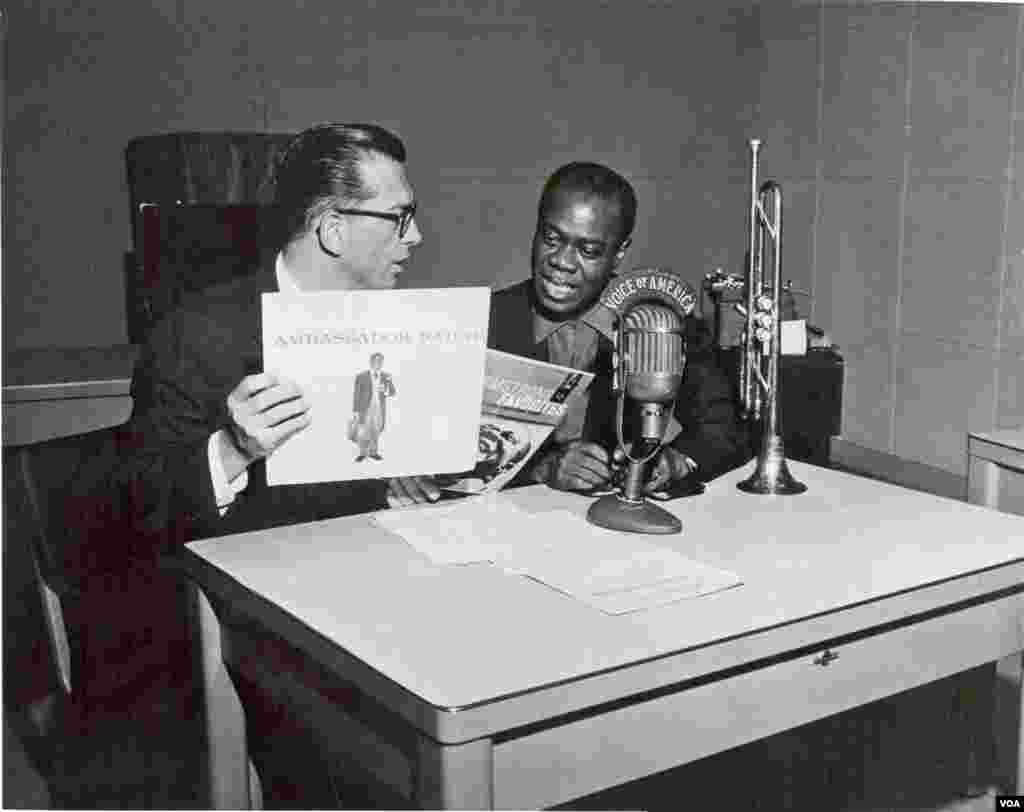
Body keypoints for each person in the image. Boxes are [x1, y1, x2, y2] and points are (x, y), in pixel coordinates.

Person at [104, 122, 443, 807]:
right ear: (333, 229)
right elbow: (139, 513)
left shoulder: (398, 324)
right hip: (261, 634)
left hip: (388, 596)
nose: (415, 238)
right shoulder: (197, 333)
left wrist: (410, 481)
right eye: (400, 217)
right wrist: (233, 449)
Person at [488, 162, 750, 495]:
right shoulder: (486, 320)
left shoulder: (660, 322)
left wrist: (677, 461)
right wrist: (542, 470)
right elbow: (451, 458)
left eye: (589, 251)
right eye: (551, 238)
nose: (563, 261)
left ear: (619, 254)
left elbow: (724, 431)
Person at [351, 352, 396, 461]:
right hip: (364, 408)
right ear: (371, 362)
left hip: (379, 409)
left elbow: (392, 392)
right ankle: (362, 453)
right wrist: (356, 411)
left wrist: (385, 390)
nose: (378, 363)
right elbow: (357, 394)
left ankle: (373, 452)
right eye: (376, 361)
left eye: (380, 361)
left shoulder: (386, 376)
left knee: (376, 431)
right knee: (363, 432)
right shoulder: (361, 376)